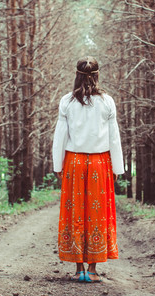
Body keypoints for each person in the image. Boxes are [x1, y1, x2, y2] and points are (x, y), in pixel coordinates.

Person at [52, 56, 124, 283]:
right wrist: (117, 167)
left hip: (74, 162)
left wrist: (57, 164)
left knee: (75, 213)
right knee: (96, 213)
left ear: (77, 75)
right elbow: (114, 137)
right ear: (97, 75)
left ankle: (78, 269)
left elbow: (60, 135)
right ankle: (92, 271)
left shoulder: (67, 101)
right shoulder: (107, 102)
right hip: (100, 163)